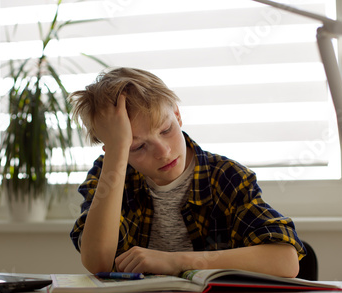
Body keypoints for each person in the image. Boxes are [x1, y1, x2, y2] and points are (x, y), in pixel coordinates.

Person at [69, 67, 305, 278]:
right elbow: (97, 262)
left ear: (178, 115)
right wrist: (117, 152)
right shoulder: (107, 173)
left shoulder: (226, 176)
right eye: (137, 146)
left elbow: (285, 261)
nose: (163, 151)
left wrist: (176, 261)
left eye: (166, 129)